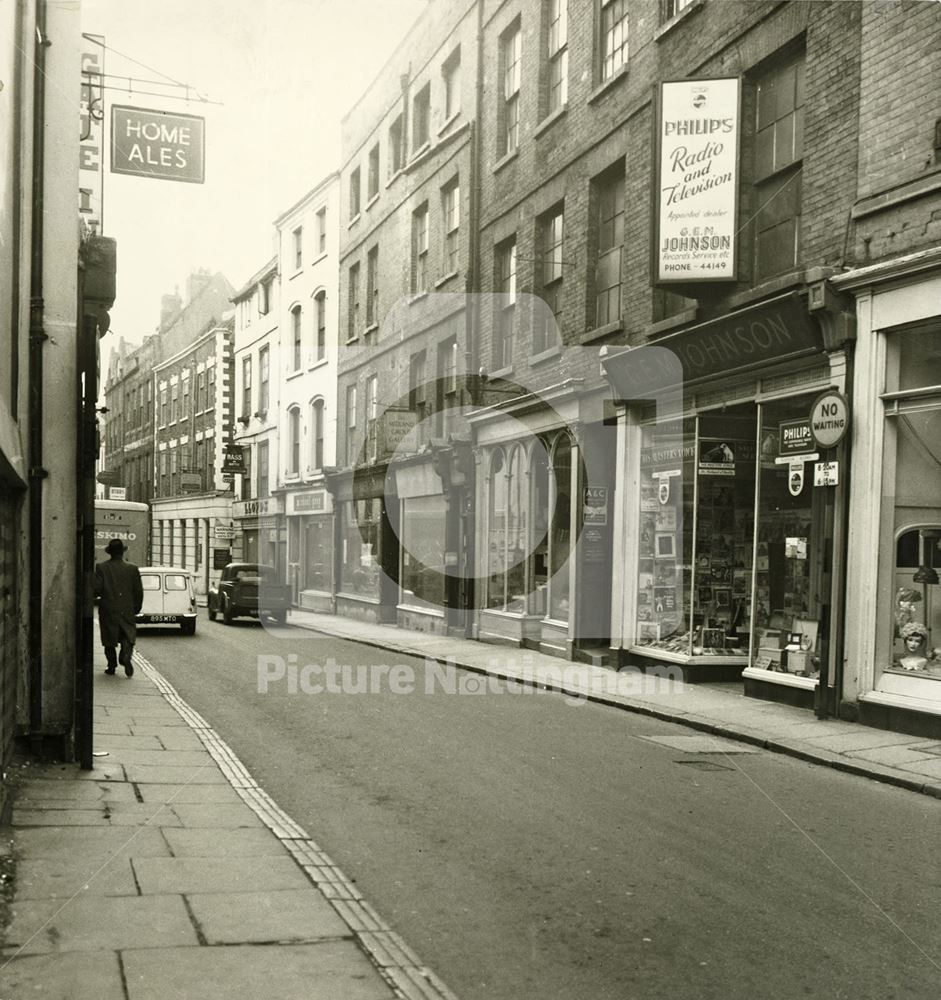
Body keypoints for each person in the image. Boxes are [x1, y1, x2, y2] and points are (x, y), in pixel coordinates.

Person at [95, 538, 143, 677]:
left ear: (110, 553)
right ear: (122, 553)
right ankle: (125, 655)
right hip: (127, 608)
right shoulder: (132, 569)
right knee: (127, 634)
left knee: (109, 638)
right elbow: (138, 591)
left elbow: (97, 589)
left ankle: (111, 665)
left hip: (108, 608)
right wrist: (137, 607)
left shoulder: (101, 567)